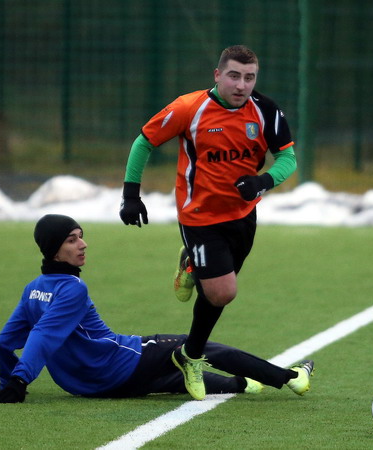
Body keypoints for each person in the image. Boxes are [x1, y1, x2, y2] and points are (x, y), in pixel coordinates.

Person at [119, 45, 297, 399]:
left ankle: (191, 267)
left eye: (249, 77)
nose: (241, 85)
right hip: (198, 215)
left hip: (243, 215)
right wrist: (130, 195)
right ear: (217, 75)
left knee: (216, 293)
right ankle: (190, 357)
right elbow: (144, 142)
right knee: (222, 292)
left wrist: (262, 181)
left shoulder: (266, 110)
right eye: (234, 76)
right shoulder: (189, 107)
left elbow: (287, 158)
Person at [0, 214, 314, 403]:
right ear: (54, 250)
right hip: (119, 363)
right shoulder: (72, 289)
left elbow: (5, 341)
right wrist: (19, 381)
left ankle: (243, 384)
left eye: (81, 237)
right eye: (71, 240)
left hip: (89, 386)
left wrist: (7, 379)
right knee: (194, 347)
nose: (83, 244)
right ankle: (290, 377)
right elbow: (44, 334)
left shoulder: (33, 289)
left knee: (174, 377)